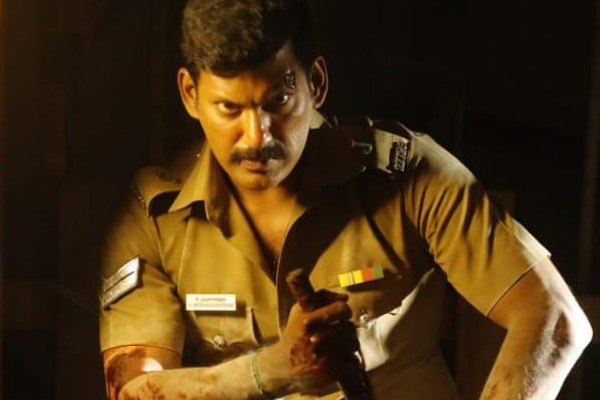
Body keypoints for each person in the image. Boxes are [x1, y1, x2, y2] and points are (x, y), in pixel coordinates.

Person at [98, 1, 593, 399]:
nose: (257, 137)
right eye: (229, 108)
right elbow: (132, 388)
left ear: (315, 84)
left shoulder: (407, 175)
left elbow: (553, 318)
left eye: (277, 103)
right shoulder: (153, 214)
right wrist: (270, 371)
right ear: (189, 94)